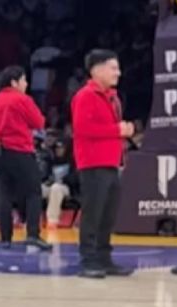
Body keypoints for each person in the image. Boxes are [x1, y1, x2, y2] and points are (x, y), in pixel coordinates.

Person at [71, 49, 134, 278]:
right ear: (97, 70)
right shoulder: (86, 96)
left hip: (111, 162)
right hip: (93, 163)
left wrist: (122, 131)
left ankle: (104, 258)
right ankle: (89, 260)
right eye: (113, 68)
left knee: (107, 215)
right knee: (93, 214)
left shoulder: (112, 96)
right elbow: (82, 128)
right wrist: (117, 130)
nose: (118, 73)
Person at [0, 66, 51, 250]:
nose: (26, 84)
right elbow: (38, 122)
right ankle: (32, 234)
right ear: (14, 82)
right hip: (19, 149)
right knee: (33, 192)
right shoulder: (22, 99)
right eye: (24, 80)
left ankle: (5, 238)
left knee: (4, 194)